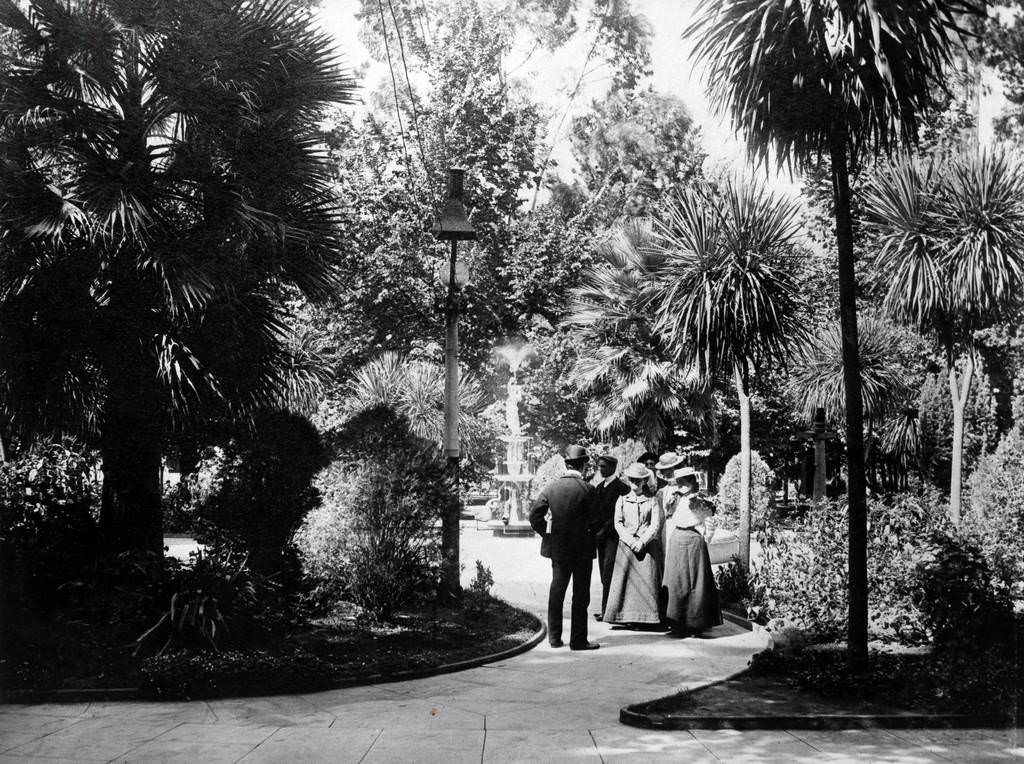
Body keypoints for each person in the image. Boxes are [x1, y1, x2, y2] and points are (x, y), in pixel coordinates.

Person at [528, 444, 601, 651]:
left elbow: (534, 516)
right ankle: (578, 640)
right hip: (583, 551)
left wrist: (549, 534)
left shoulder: (551, 488)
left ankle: (554, 638)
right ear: (583, 465)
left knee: (557, 591)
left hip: (559, 549)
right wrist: (586, 533)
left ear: (566, 464)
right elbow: (598, 520)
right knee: (580, 595)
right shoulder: (589, 490)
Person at [602, 462, 664, 626]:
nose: (635, 483)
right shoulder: (622, 500)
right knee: (625, 583)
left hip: (646, 547)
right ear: (628, 480)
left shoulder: (653, 500)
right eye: (632, 480)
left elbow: (655, 524)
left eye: (639, 480)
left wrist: (642, 541)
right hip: (626, 547)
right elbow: (618, 524)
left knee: (647, 582)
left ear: (644, 481)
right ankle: (624, 617)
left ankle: (647, 618)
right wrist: (631, 541)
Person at [662, 483, 723, 636]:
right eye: (680, 482)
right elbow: (668, 517)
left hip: (694, 539)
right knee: (676, 581)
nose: (682, 486)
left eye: (685, 482)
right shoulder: (674, 499)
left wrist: (705, 539)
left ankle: (696, 624)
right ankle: (677, 624)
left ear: (691, 484)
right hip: (677, 539)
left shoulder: (700, 500)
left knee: (696, 581)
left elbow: (709, 522)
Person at [592, 453, 630, 620]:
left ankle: (609, 610)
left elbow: (620, 516)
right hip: (600, 538)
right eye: (599, 466)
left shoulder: (622, 488)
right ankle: (606, 607)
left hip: (614, 538)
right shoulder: (599, 488)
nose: (600, 469)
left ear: (613, 468)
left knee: (610, 572)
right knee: (603, 572)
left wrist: (603, 530)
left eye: (604, 466)